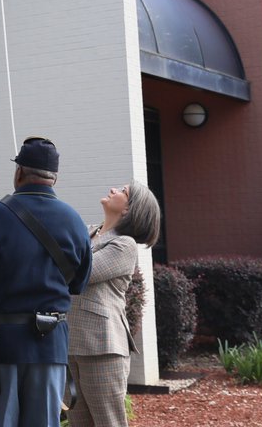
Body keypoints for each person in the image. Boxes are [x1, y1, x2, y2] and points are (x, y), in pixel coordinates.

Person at [0, 137, 92, 427]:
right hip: (49, 346)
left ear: (19, 173)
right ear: (54, 178)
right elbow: (78, 284)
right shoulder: (75, 222)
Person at [65, 180, 161, 427]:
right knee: (78, 423)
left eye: (123, 191)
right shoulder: (87, 232)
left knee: (109, 422)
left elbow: (82, 274)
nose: (113, 190)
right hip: (69, 342)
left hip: (102, 346)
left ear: (129, 210)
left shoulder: (124, 245)